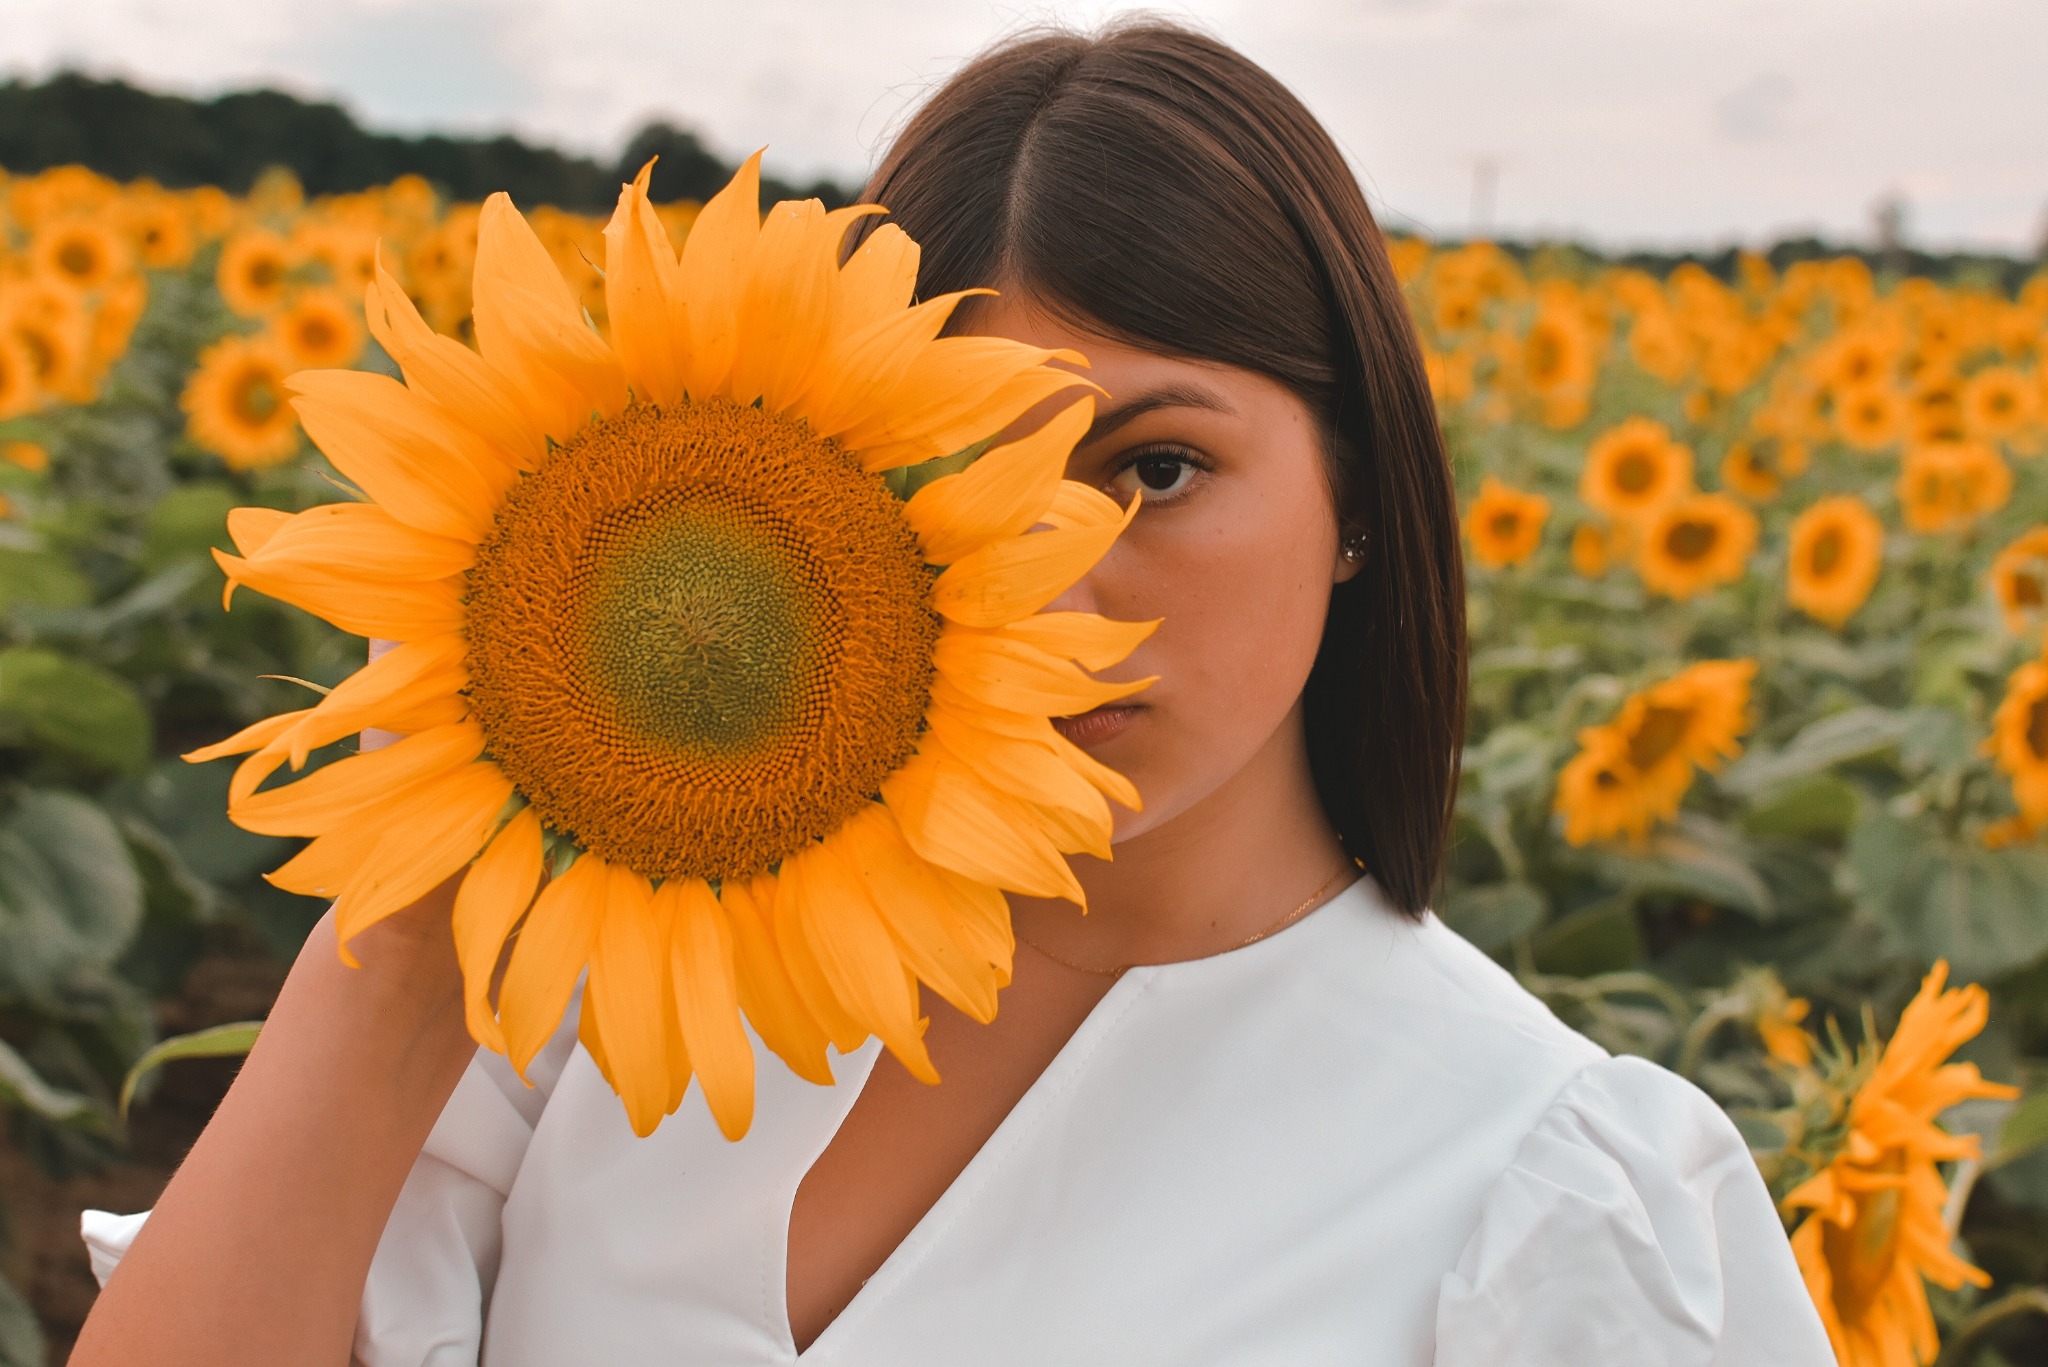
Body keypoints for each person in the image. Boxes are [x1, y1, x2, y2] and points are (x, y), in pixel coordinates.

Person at [70, 21, 1833, 1367]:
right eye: (955, 490)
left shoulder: (1538, 1192)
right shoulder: (628, 975)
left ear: (1361, 491)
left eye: (1155, 470)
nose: (1047, 592)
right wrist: (429, 882)